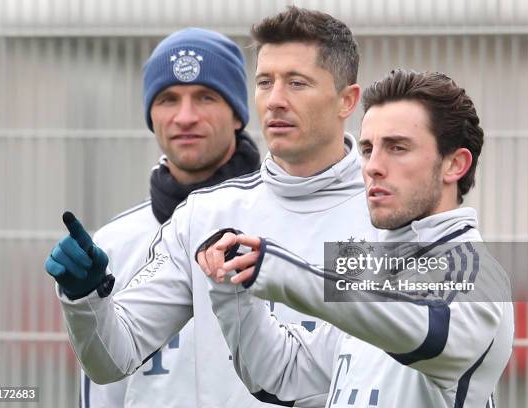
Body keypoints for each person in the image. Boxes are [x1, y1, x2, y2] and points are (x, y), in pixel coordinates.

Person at [45, 7, 382, 407]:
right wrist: (85, 298)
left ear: (347, 100)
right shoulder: (204, 215)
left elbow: (458, 349)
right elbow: (113, 358)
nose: (275, 101)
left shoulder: (393, 213)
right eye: (264, 82)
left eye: (296, 83)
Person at [197, 70, 514, 408]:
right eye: (367, 149)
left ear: (454, 165)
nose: (373, 166)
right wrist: (233, 285)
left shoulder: (474, 272)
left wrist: (280, 269)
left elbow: (428, 332)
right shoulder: (373, 275)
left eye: (397, 147)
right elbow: (283, 372)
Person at [73, 28, 261, 407]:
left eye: (205, 97)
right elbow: (103, 387)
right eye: (168, 99)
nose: (185, 116)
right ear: (150, 116)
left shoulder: (281, 227)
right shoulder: (112, 245)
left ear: (238, 114)